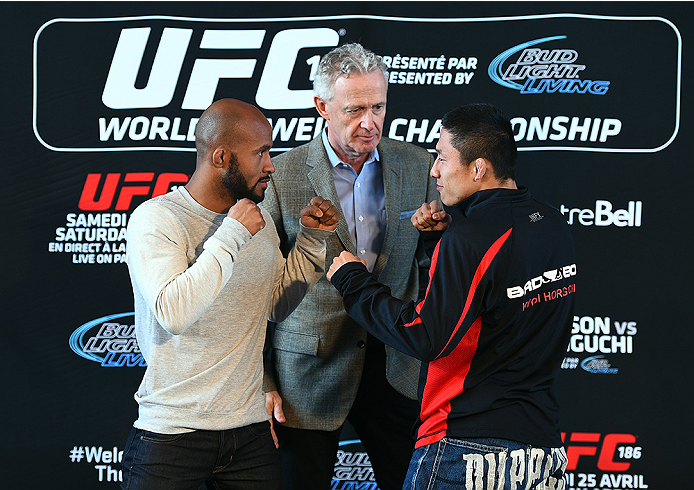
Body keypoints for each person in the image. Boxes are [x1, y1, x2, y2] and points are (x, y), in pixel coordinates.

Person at [327, 103, 576, 489]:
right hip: (542, 450)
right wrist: (436, 243)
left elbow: (425, 335)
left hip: (466, 446)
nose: (434, 170)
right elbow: (496, 303)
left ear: (478, 168)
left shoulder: (469, 239)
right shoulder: (552, 224)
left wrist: (353, 281)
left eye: (442, 158)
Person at [120, 98, 340, 490]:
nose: (271, 165)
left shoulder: (258, 223)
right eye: (261, 153)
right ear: (221, 156)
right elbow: (173, 312)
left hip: (248, 432)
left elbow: (274, 306)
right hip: (173, 431)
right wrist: (232, 235)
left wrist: (311, 240)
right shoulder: (158, 218)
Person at [260, 43, 438, 490]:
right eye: (355, 109)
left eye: (378, 106)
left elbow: (431, 269)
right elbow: (257, 288)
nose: (370, 122)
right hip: (306, 374)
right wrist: (262, 379)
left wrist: (435, 238)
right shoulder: (281, 176)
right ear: (322, 106)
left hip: (397, 367)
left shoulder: (420, 167)